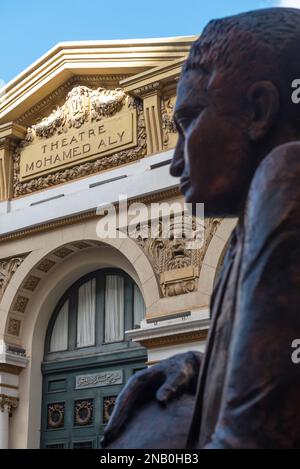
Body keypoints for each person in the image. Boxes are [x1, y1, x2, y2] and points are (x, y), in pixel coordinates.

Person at [102, 8, 300, 448]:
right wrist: (200, 365)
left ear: (259, 109)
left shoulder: (286, 176)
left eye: (188, 121)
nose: (175, 163)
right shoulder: (249, 222)